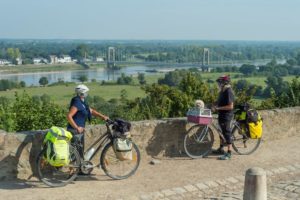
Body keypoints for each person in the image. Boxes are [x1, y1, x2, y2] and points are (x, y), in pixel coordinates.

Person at [67, 84, 109, 159]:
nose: (87, 94)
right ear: (82, 93)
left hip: (79, 130)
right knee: (76, 152)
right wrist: (77, 127)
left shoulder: (82, 102)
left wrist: (103, 117)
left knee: (80, 151)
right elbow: (69, 116)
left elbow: (91, 111)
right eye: (86, 92)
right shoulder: (77, 102)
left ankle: (77, 169)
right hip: (75, 130)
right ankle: (73, 169)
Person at [212, 75, 235, 160]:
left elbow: (230, 106)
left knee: (226, 132)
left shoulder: (228, 91)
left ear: (224, 83)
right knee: (220, 132)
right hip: (221, 114)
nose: (218, 84)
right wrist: (212, 104)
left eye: (219, 83)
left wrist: (218, 108)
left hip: (227, 115)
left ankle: (229, 153)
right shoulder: (222, 91)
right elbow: (219, 101)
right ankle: (221, 148)